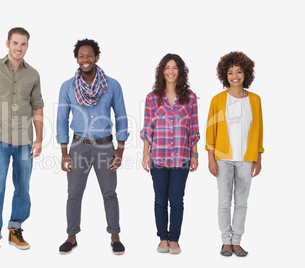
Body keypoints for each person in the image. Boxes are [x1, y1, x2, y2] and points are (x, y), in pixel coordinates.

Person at [0, 27, 44, 262]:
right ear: (7, 43)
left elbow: (37, 107)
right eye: (15, 43)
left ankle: (16, 229)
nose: (19, 48)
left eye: (23, 44)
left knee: (23, 187)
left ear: (27, 46)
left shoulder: (33, 74)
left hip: (25, 141)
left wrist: (39, 138)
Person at [56, 38, 129, 255]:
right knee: (74, 193)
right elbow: (61, 120)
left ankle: (115, 236)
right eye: (81, 56)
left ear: (97, 57)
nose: (85, 59)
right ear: (77, 59)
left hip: (106, 146)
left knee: (109, 192)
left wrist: (121, 149)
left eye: (89, 55)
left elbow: (121, 116)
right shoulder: (67, 86)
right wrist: (64, 153)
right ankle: (71, 236)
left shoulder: (112, 85)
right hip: (78, 146)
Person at [205, 51, 264, 257]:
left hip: (247, 159)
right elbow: (210, 131)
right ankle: (225, 241)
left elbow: (259, 130)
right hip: (223, 158)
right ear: (225, 75)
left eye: (239, 71)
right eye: (230, 72)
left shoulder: (255, 100)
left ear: (246, 73)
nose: (235, 76)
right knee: (224, 201)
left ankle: (237, 241)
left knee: (241, 202)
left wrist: (258, 157)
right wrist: (211, 158)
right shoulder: (218, 100)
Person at [141, 53, 200, 254]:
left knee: (176, 199)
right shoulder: (152, 98)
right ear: (162, 71)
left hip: (181, 158)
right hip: (158, 157)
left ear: (180, 71)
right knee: (160, 199)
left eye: (175, 68)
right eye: (167, 67)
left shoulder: (190, 98)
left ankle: (174, 239)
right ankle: (162, 238)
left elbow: (193, 128)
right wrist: (145, 155)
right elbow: (148, 129)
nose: (171, 71)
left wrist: (195, 155)